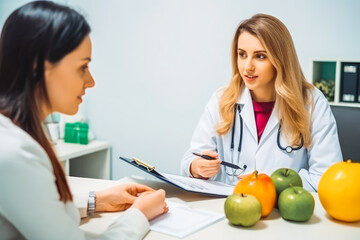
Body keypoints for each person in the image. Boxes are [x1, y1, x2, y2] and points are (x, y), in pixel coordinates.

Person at [0, 1, 168, 239]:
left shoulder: (20, 132)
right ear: (39, 65)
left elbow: (35, 205)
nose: (90, 82)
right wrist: (139, 214)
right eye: (83, 67)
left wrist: (97, 200)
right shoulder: (13, 152)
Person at [181, 13, 342, 192]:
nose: (247, 66)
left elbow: (327, 177)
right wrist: (197, 167)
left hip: (283, 212)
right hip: (229, 208)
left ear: (280, 59)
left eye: (260, 56)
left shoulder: (311, 102)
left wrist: (271, 183)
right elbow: (191, 158)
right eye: (242, 54)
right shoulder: (222, 99)